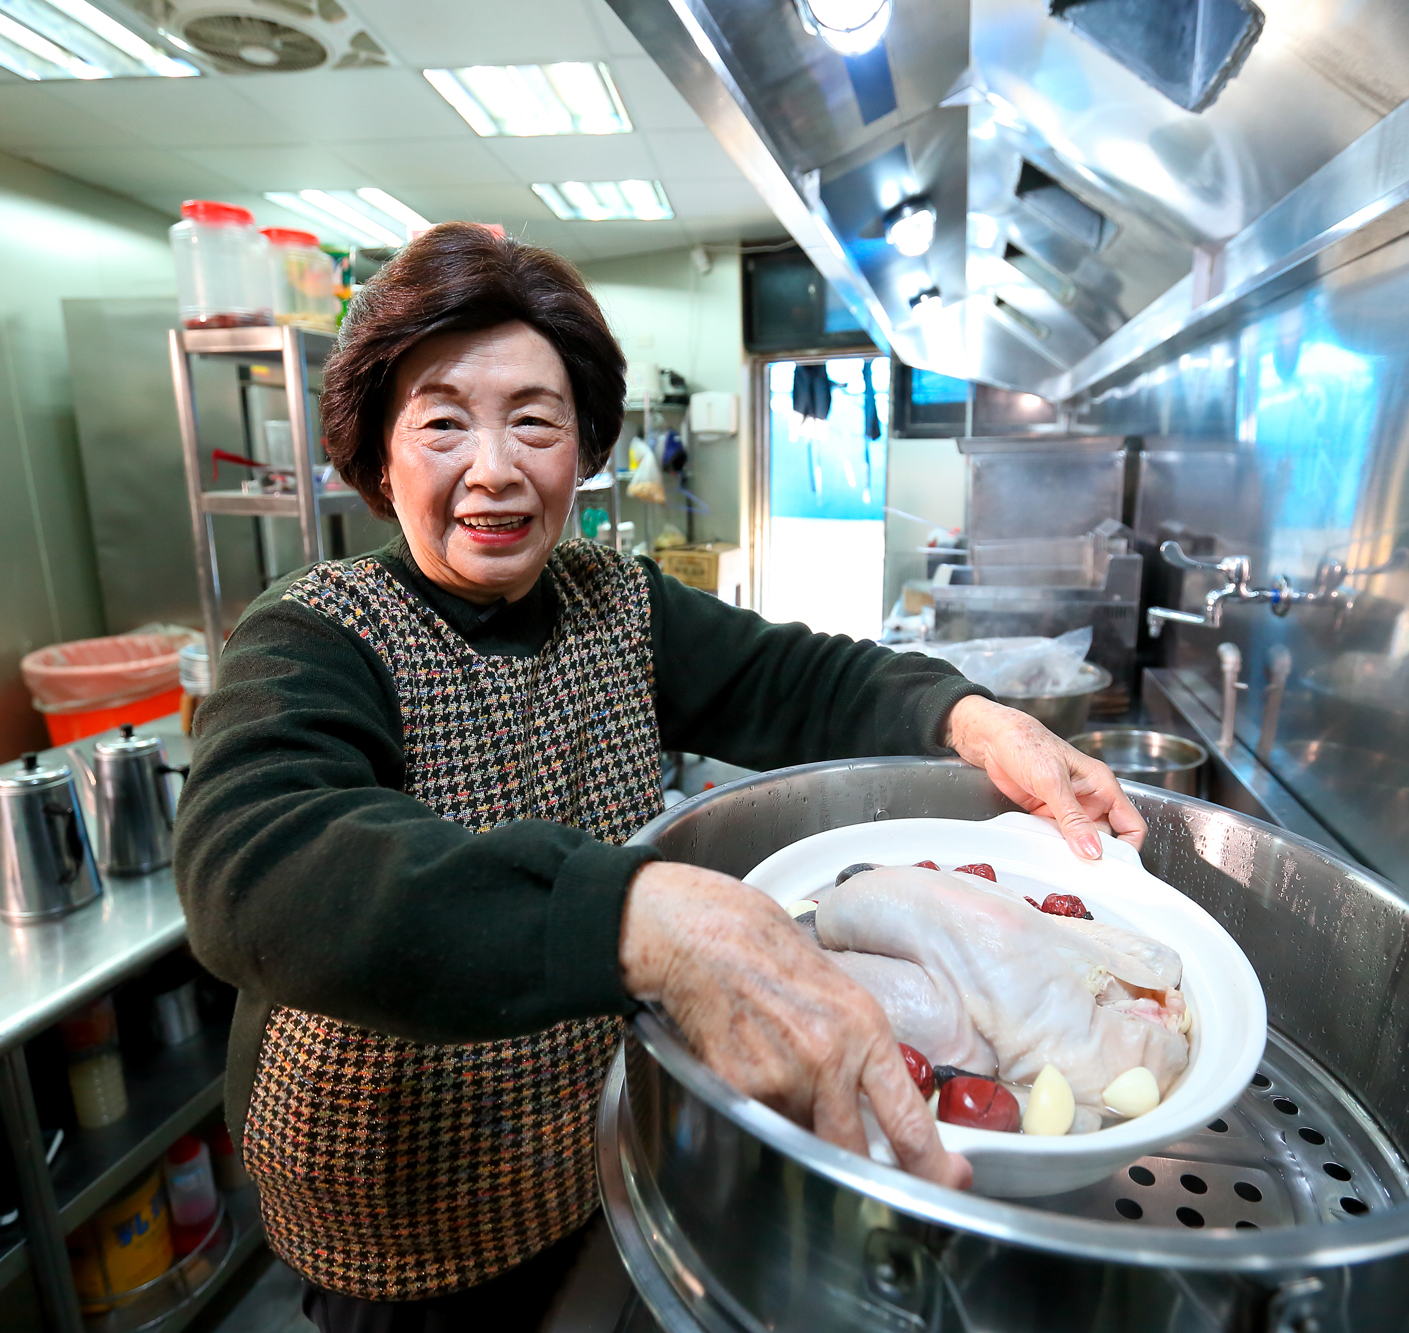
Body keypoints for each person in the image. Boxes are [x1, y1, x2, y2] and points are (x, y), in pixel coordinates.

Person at [174, 222, 1144, 1333]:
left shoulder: (615, 601)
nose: (494, 469)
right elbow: (255, 863)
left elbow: (796, 678)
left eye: (534, 420)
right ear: (377, 455)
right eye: (442, 422)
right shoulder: (317, 631)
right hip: (400, 1195)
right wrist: (640, 916)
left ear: (584, 445)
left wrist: (970, 717)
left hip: (589, 1137)